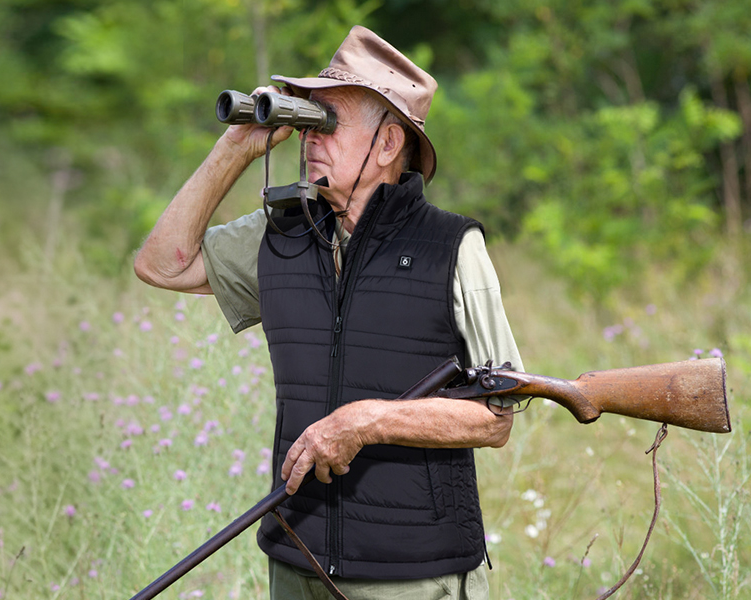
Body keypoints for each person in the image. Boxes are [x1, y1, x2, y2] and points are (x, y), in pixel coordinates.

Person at [132, 26, 525, 600]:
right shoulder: (282, 234)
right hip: (297, 561)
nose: (311, 136)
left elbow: (497, 417)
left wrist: (368, 421)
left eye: (330, 121)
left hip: (413, 576)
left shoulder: (452, 247)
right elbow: (162, 265)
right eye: (309, 118)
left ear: (389, 145)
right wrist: (237, 147)